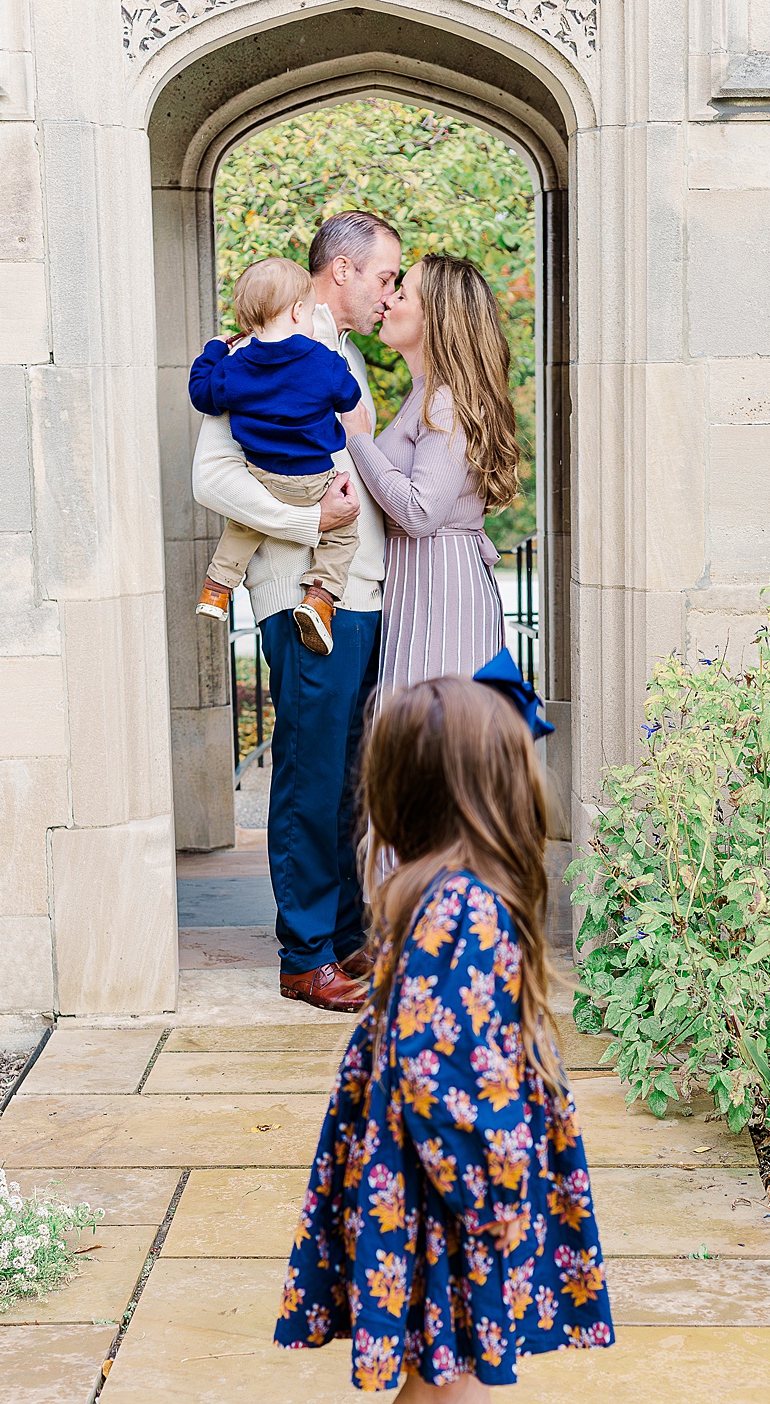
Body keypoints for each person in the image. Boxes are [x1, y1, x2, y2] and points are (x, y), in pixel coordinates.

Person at [274, 673, 614, 1404]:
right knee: (438, 1372)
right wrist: (500, 1189)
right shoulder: (463, 906)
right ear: (490, 790)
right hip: (450, 1188)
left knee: (458, 1357)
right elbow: (435, 1077)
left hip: (429, 1182)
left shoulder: (432, 886)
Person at [191, 210, 401, 1011]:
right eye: (384, 277)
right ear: (341, 271)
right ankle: (303, 953)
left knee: (348, 773)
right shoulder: (257, 348)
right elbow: (212, 477)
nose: (390, 295)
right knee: (311, 774)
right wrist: (311, 523)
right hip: (299, 593)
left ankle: (345, 937)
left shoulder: (343, 357)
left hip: (361, 593)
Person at [343, 254, 518, 701]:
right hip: (417, 582)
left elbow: (421, 513)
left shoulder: (446, 402)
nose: (387, 300)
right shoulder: (422, 394)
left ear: (435, 319)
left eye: (402, 294)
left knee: (436, 740)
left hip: (441, 588)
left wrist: (359, 441)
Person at [189, 255, 362, 657]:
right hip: (314, 479)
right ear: (299, 311)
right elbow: (348, 396)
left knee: (245, 525)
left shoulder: (235, 368)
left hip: (261, 474)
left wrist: (214, 350)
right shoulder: (321, 359)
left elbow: (203, 394)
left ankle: (216, 590)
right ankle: (319, 597)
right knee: (342, 533)